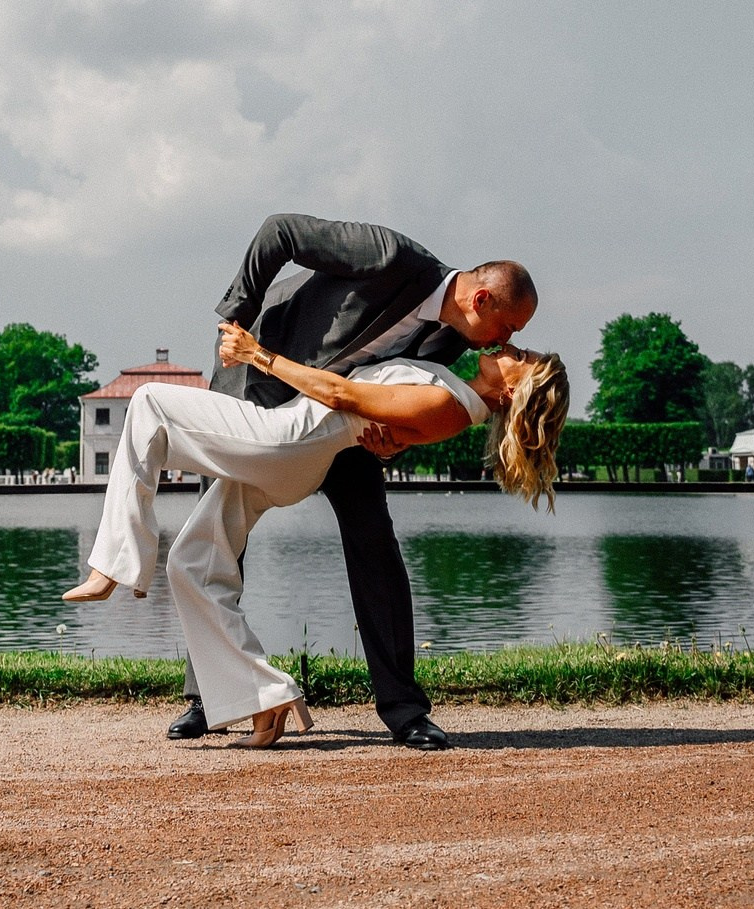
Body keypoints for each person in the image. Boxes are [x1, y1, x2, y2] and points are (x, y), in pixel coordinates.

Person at [74, 213, 551, 749]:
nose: (508, 341)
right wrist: (238, 322)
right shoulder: (390, 258)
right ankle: (210, 695)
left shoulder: (455, 343)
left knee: (374, 543)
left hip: (334, 424)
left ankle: (403, 709)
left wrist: (393, 442)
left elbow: (403, 405)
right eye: (510, 328)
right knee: (212, 543)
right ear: (481, 301)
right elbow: (281, 233)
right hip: (261, 379)